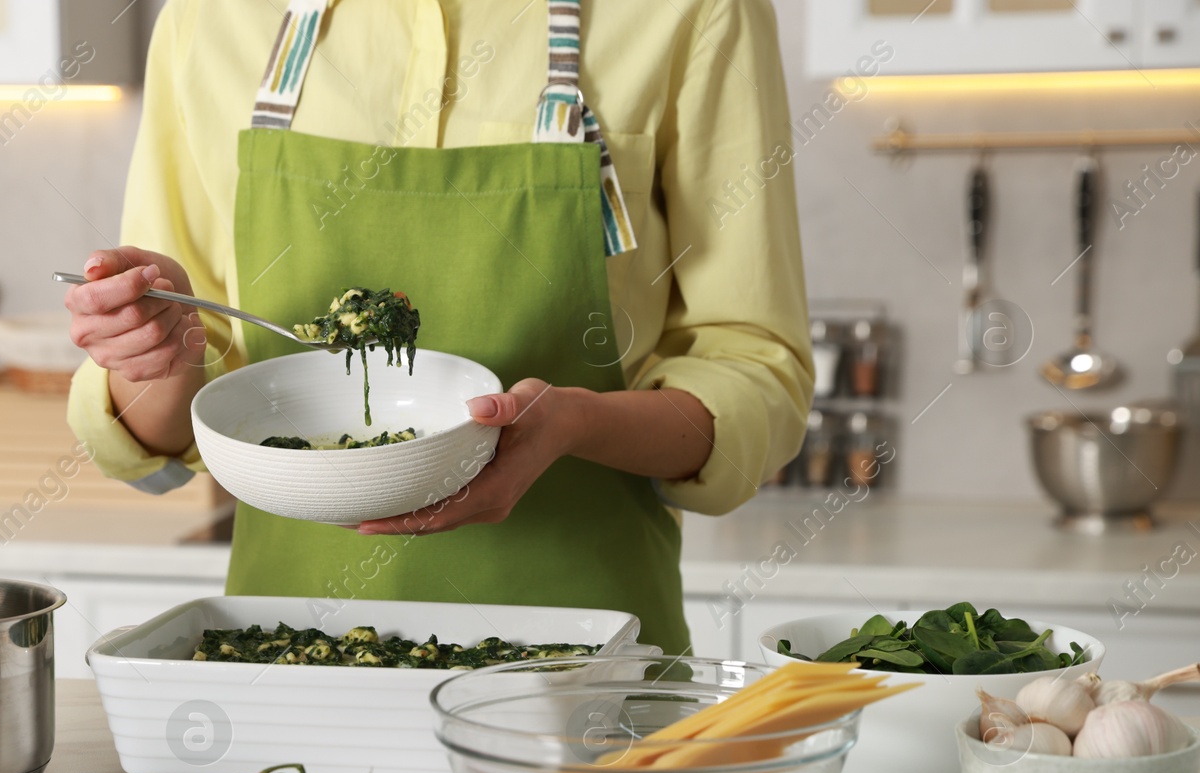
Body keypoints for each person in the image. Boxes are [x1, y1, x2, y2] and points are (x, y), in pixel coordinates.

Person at [65, 0, 811, 652]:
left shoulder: (696, 10)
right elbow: (172, 431)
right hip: (291, 659)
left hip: (586, 673)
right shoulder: (210, 18)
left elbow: (752, 369)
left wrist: (578, 422)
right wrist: (159, 356)